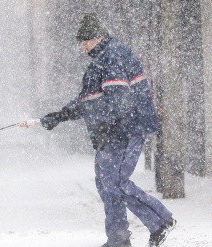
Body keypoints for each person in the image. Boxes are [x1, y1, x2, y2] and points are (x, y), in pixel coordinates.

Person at [40, 12, 176, 247]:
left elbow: (119, 100)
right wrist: (62, 114)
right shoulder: (101, 60)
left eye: (85, 42)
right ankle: (118, 240)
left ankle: (160, 220)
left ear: (98, 37)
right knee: (106, 184)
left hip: (126, 129)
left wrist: (106, 125)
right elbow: (90, 99)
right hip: (113, 131)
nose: (82, 48)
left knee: (117, 183)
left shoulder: (111, 56)